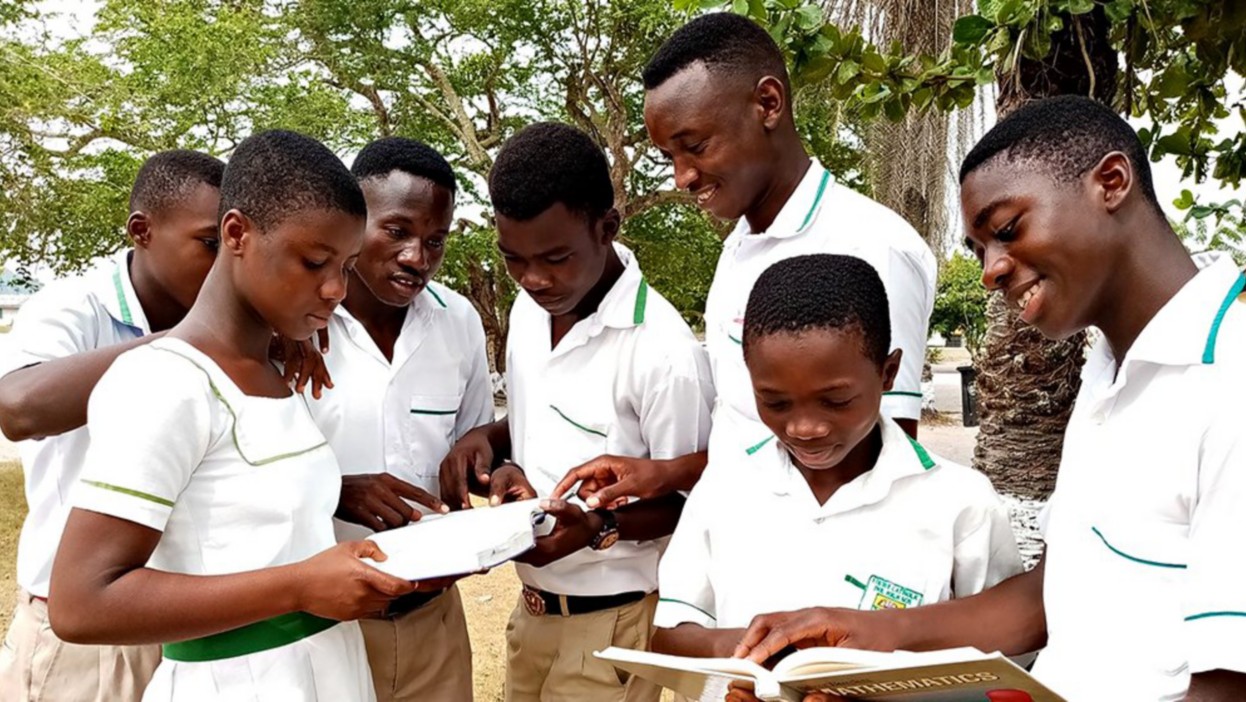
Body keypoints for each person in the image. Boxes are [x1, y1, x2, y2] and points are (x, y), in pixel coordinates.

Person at [730, 96, 1246, 702]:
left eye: (1006, 230)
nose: (990, 270)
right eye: (979, 249)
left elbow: (1226, 688)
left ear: (1111, 182)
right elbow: (1050, 595)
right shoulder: (1111, 370)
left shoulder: (1228, 379)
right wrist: (864, 630)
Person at [46, 130, 417, 701]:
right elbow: (82, 602)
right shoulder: (164, 380)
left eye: (345, 265)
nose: (336, 289)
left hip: (329, 674)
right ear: (237, 233)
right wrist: (299, 587)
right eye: (315, 261)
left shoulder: (272, 370)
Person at [554, 12, 936, 508]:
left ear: (768, 104)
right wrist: (666, 473)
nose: (681, 177)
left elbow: (888, 460)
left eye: (694, 147)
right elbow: (746, 433)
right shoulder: (739, 246)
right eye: (668, 156)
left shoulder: (874, 247)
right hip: (733, 550)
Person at [440, 122, 714, 702]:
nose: (535, 279)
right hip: (531, 612)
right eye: (513, 259)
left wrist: (598, 528)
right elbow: (538, 421)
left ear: (607, 227)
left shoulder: (663, 351)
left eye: (556, 257)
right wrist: (498, 452)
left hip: (612, 627)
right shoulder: (529, 311)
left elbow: (695, 502)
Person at [652, 253, 1021, 664]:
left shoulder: (960, 502)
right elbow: (670, 635)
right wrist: (747, 655)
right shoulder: (725, 488)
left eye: (835, 401)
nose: (803, 428)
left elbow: (1009, 649)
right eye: (774, 402)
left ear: (888, 373)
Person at [0, 149, 224, 701]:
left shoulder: (240, 331)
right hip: (86, 636)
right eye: (210, 244)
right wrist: (190, 340)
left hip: (196, 622)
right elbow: (18, 407)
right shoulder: (74, 308)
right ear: (142, 231)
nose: (226, 265)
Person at [306, 136, 503, 701]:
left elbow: (472, 441)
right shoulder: (294, 328)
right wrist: (336, 492)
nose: (417, 257)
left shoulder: (458, 322)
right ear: (352, 222)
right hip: (326, 626)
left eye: (434, 240)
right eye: (396, 231)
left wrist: (483, 466)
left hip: (433, 620)